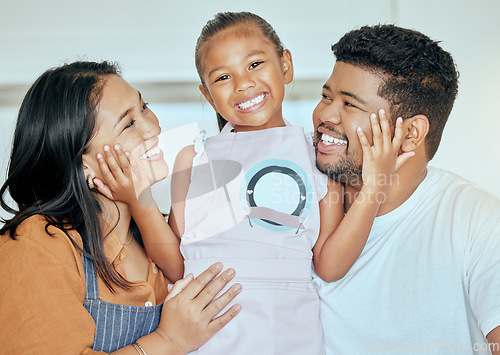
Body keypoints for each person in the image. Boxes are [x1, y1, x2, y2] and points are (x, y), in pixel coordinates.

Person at [94, 12, 412, 354]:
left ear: (285, 65)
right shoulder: (195, 158)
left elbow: (329, 265)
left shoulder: (316, 157)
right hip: (209, 331)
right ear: (207, 94)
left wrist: (374, 185)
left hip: (290, 332)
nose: (243, 84)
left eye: (255, 64)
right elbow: (175, 267)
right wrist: (138, 201)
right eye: (223, 77)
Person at [0, 61, 243, 354]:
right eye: (128, 123)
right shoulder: (35, 245)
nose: (154, 127)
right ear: (83, 164)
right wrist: (169, 341)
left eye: (144, 106)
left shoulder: (158, 237)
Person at [311, 24, 500, 354]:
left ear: (411, 133)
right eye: (326, 96)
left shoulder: (477, 222)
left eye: (350, 105)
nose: (326, 114)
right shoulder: (299, 203)